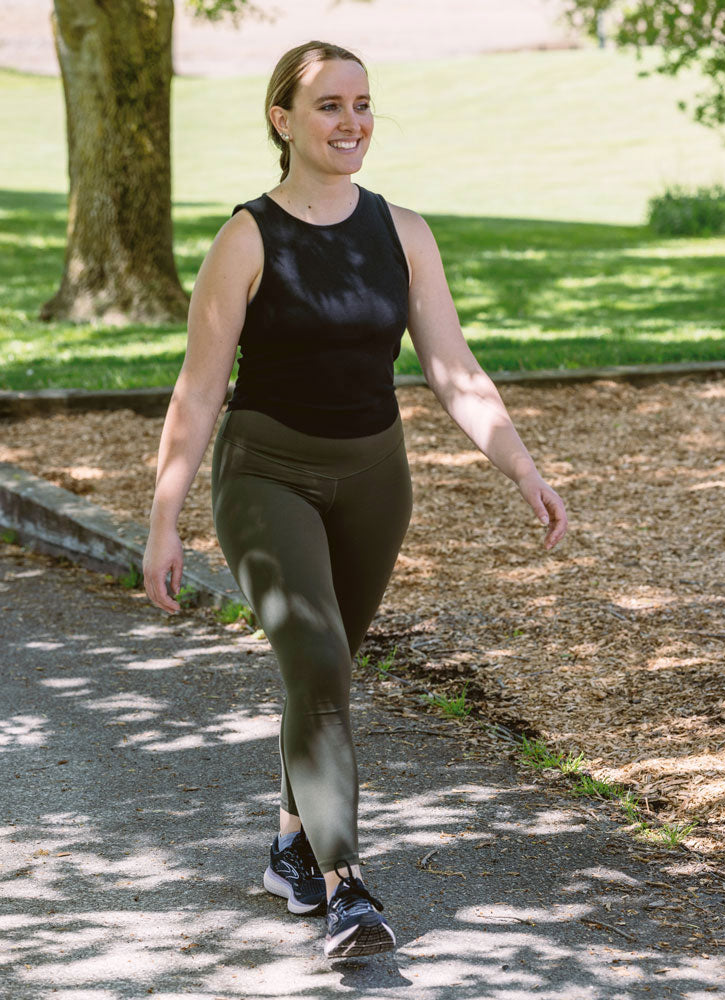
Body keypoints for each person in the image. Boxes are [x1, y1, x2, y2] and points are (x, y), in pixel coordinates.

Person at [141, 40, 568, 960]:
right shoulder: (247, 238)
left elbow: (453, 369)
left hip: (376, 480)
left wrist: (523, 468)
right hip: (266, 475)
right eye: (329, 105)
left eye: (364, 104)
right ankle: (347, 891)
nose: (352, 122)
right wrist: (165, 514)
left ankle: (290, 846)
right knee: (320, 658)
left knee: (322, 674)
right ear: (282, 120)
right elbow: (200, 389)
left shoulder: (402, 232)